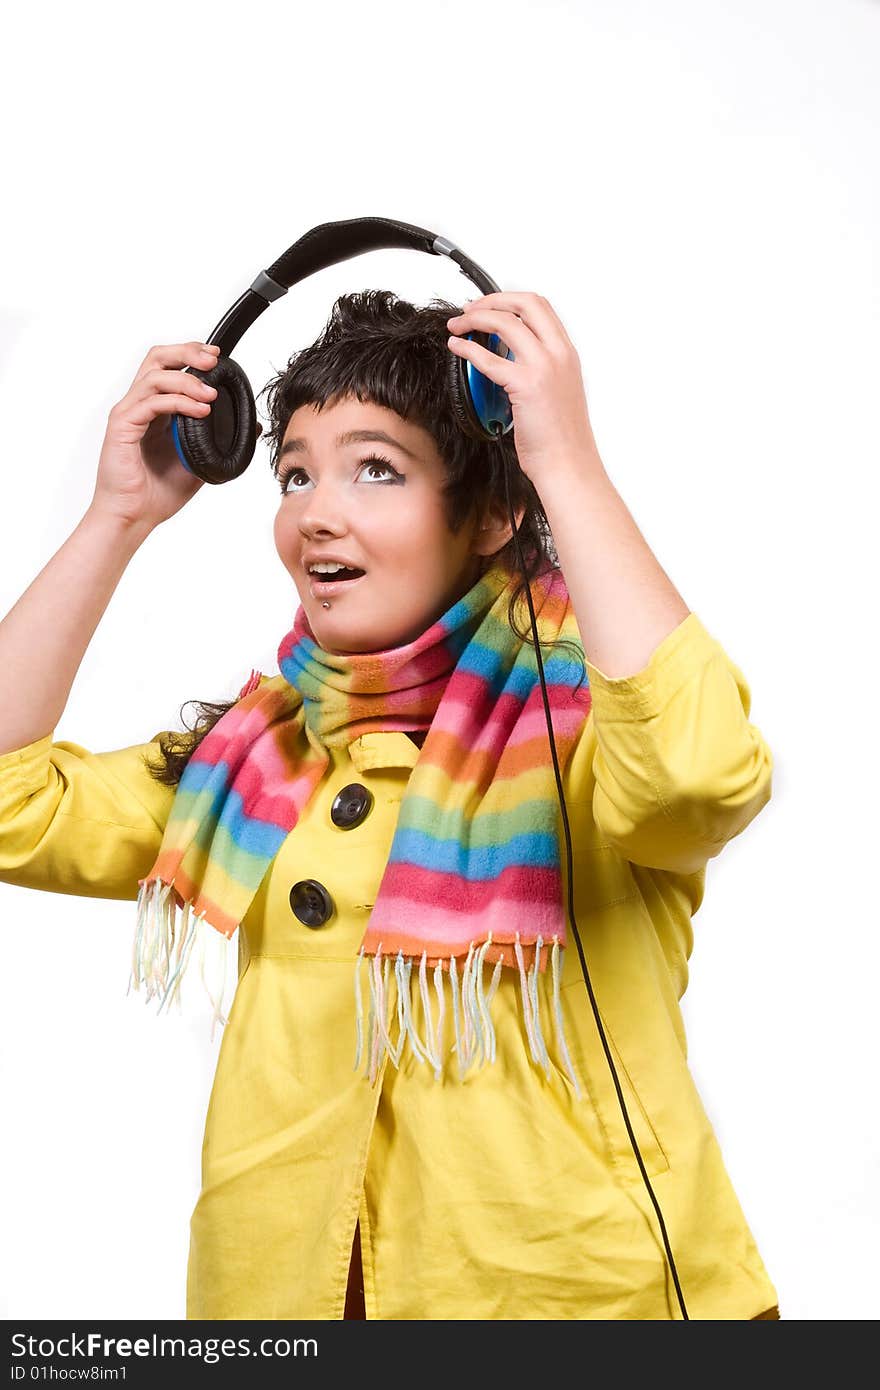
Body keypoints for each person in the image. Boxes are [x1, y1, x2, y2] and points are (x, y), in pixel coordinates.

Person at [0, 288, 780, 1321]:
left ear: (493, 511)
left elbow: (696, 774)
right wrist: (117, 516)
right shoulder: (259, 756)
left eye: (377, 467)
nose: (316, 511)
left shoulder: (592, 726)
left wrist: (565, 466)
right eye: (294, 473)